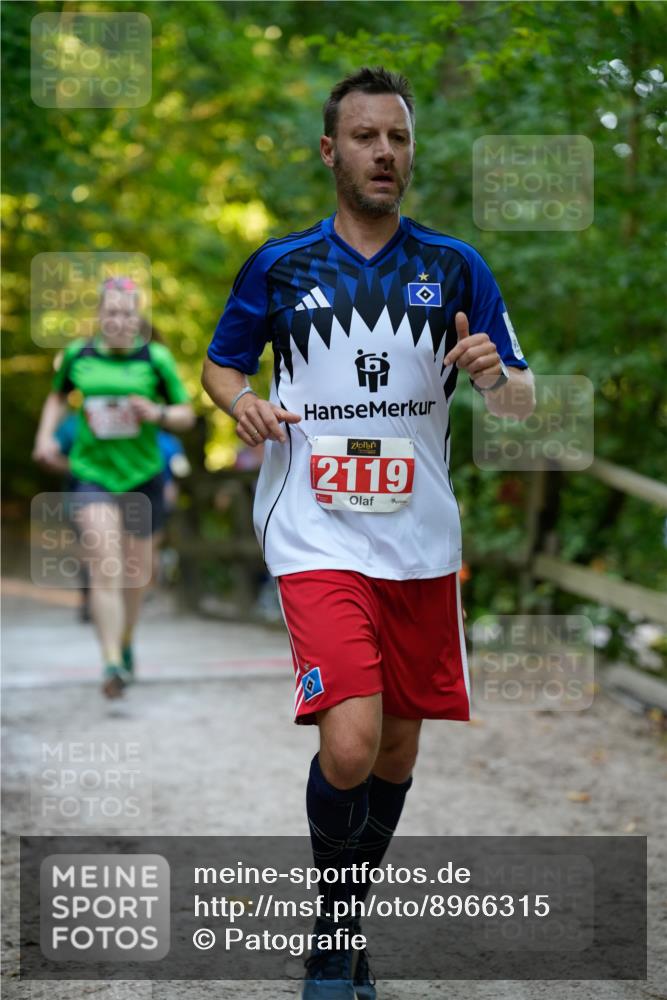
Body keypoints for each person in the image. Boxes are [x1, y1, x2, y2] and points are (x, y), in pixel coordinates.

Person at [202, 67, 535, 999]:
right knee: (348, 743)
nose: (383, 152)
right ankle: (331, 939)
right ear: (329, 151)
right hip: (312, 532)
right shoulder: (279, 265)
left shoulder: (454, 267)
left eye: (396, 138)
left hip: (420, 542)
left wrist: (490, 374)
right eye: (364, 137)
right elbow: (219, 368)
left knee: (394, 752)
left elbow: (521, 393)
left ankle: (345, 927)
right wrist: (247, 406)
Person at [33, 277, 195, 698]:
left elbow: (186, 415)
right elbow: (57, 397)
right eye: (112, 313)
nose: (119, 320)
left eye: (127, 313)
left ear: (137, 318)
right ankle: (110, 663)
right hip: (93, 474)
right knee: (106, 563)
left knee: (138, 575)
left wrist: (157, 413)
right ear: (100, 317)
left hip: (144, 476)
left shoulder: (155, 358)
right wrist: (45, 437)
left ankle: (125, 641)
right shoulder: (78, 355)